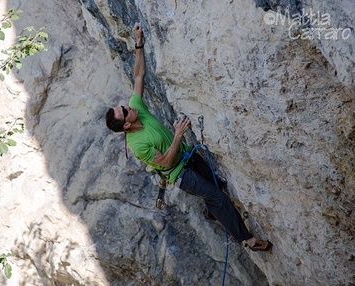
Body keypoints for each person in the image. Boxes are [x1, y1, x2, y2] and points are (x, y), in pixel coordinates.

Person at [105, 23, 272, 252]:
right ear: (125, 124)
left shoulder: (136, 108)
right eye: (123, 111)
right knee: (219, 198)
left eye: (123, 106)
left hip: (187, 156)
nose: (127, 106)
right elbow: (164, 161)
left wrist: (139, 41)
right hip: (180, 174)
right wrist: (178, 135)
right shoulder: (137, 145)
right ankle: (247, 239)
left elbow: (139, 74)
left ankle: (210, 212)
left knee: (217, 187)